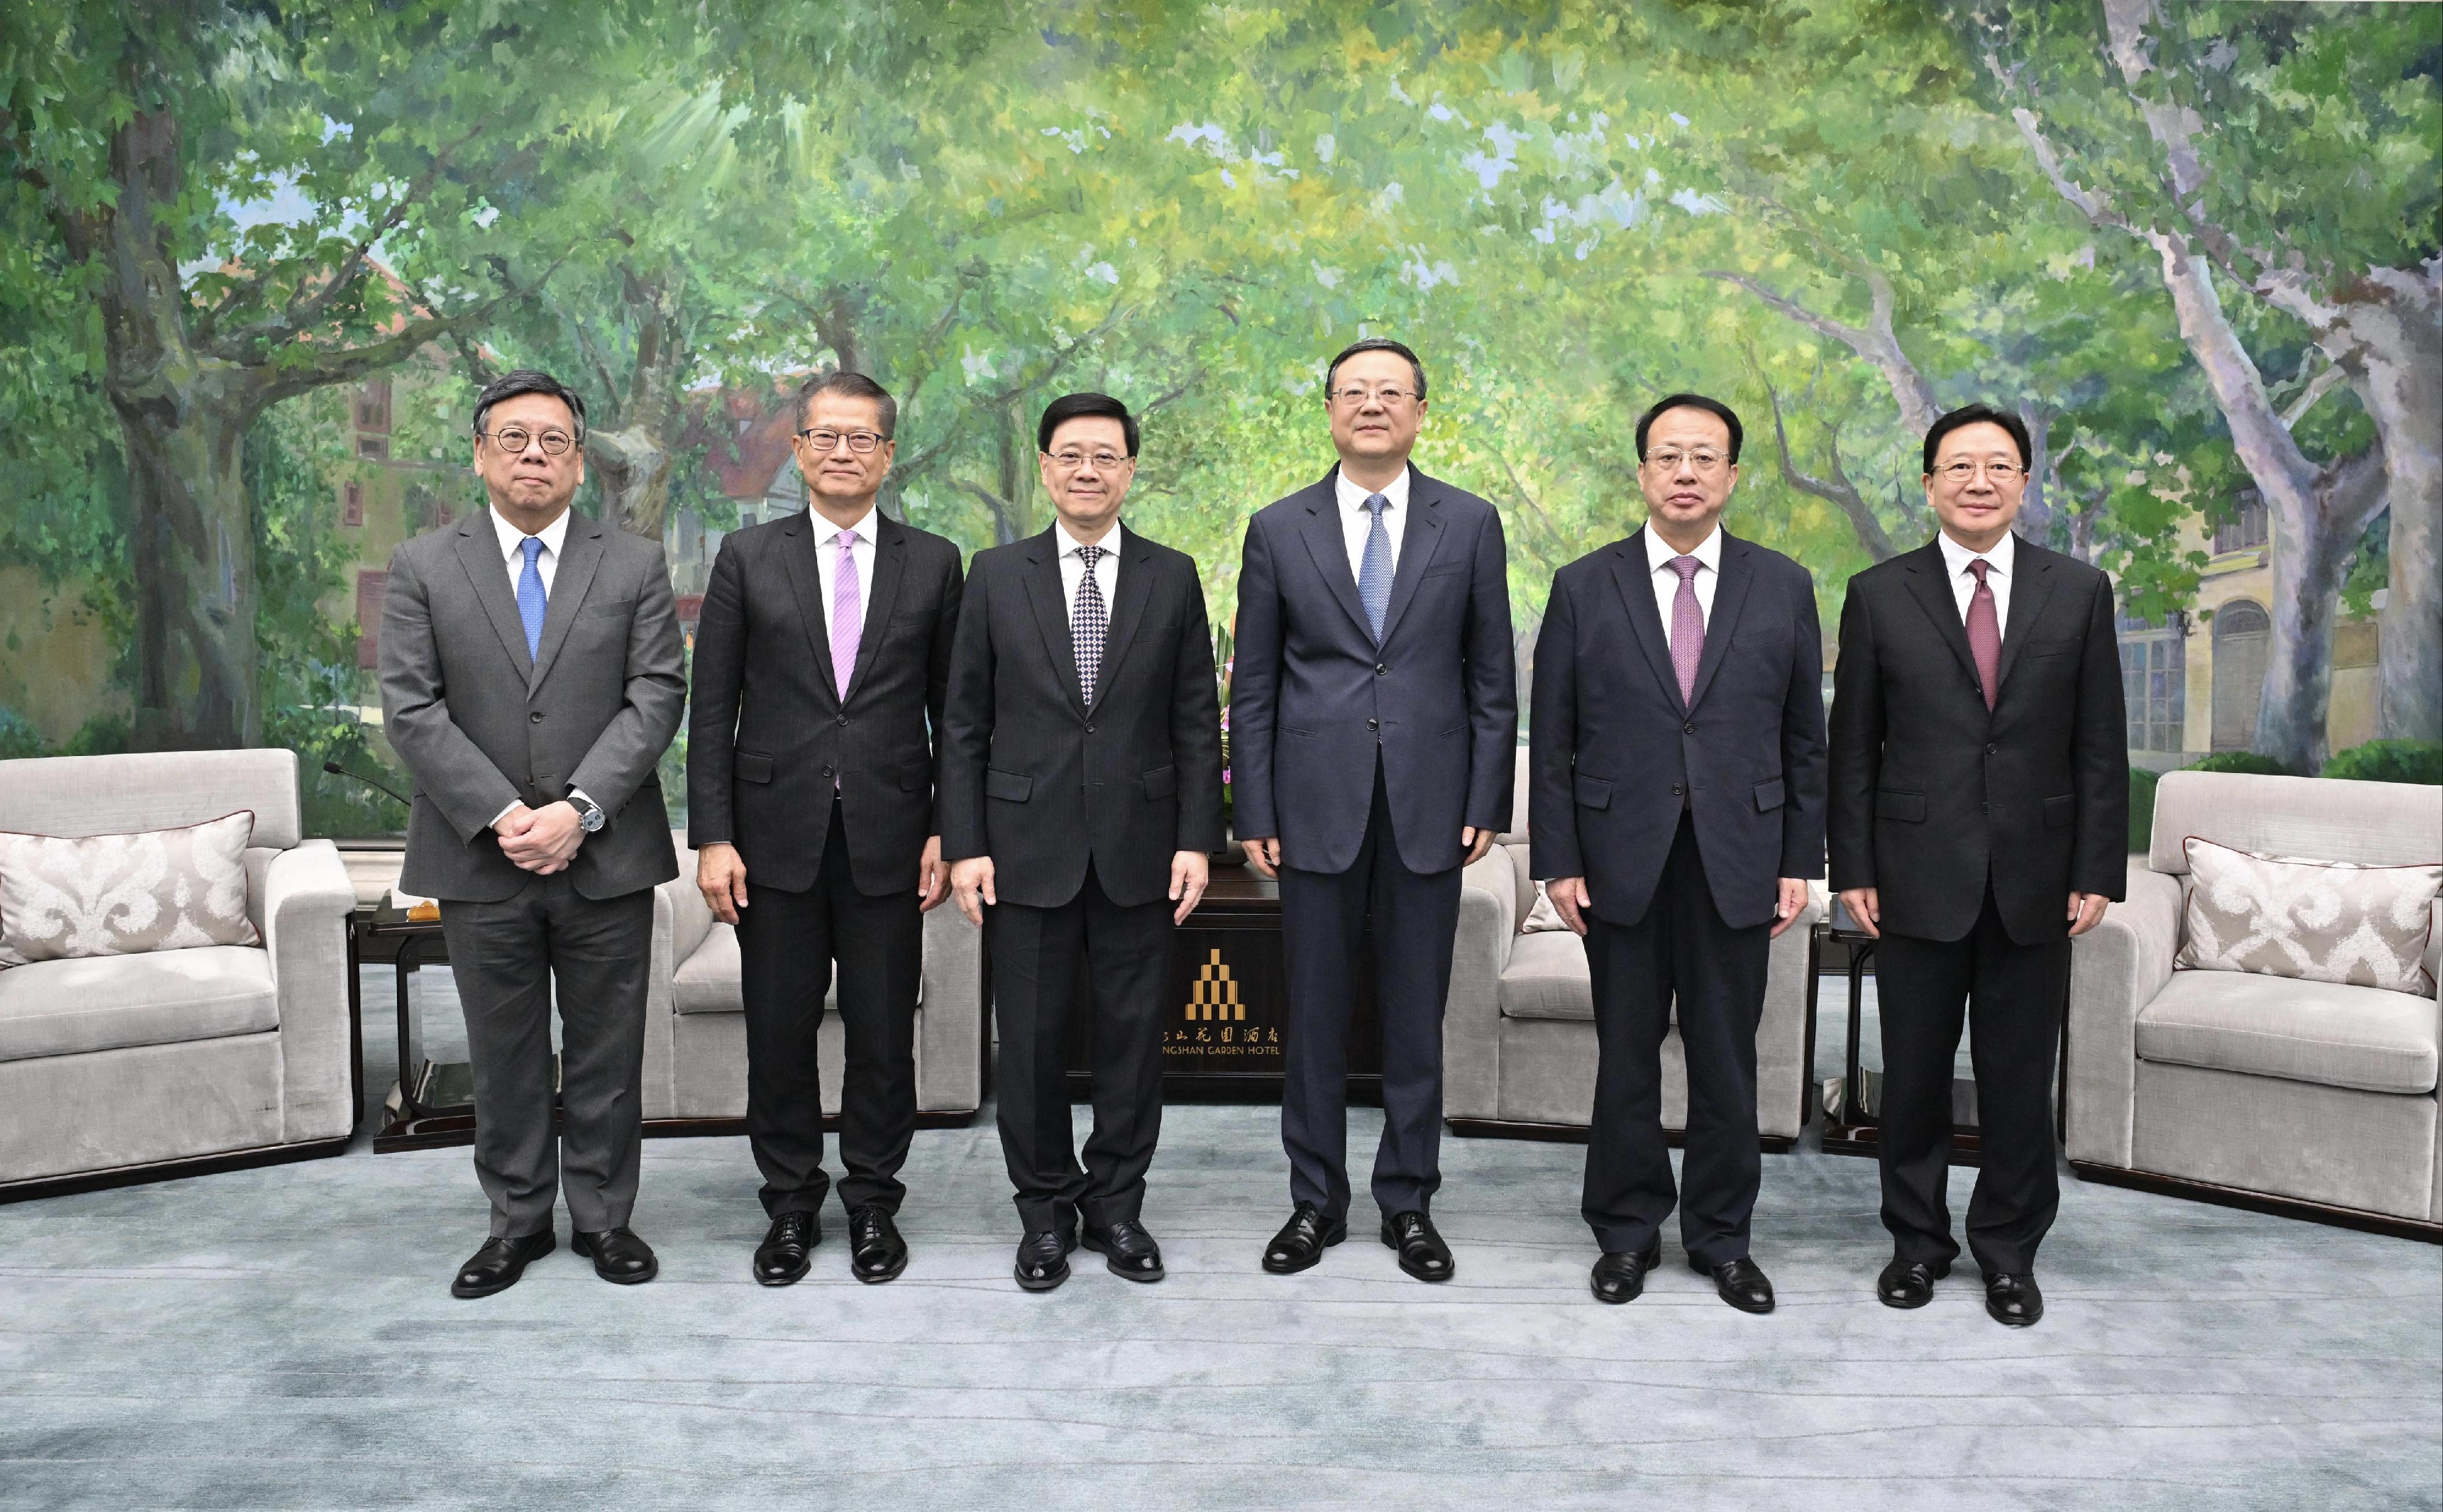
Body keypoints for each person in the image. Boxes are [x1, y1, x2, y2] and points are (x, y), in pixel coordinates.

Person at [380, 369, 686, 1298]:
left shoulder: (631, 563)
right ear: (481, 454)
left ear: (580, 463)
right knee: (504, 1054)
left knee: (605, 1050)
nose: (533, 457)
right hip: (482, 857)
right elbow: (411, 706)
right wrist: (510, 815)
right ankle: (517, 1222)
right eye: (513, 438)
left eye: (554, 441)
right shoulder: (423, 565)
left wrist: (579, 809)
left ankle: (603, 1218)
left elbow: (657, 694)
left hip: (606, 853)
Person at [1829, 402, 2126, 1328]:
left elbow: (2099, 746)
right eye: (1959, 467)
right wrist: (1854, 869)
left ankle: (2008, 1255)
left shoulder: (2078, 591)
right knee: (1912, 1077)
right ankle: (1916, 1247)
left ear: (2025, 484)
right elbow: (1854, 750)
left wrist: (2098, 869)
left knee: (2016, 1081)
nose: (1979, 481)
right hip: (1914, 875)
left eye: (1999, 466)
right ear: (1928, 483)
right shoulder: (1880, 593)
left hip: (2038, 879)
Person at [1530, 394, 1825, 1312]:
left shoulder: (1783, 584)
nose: (1687, 473)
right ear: (1643, 473)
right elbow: (1555, 737)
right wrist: (1559, 860)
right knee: (1626, 1057)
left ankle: (1722, 1237)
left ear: (1734, 475)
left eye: (1706, 458)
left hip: (1740, 855)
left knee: (1727, 1059)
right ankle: (1625, 1233)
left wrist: (1799, 861)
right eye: (1669, 457)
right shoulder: (1585, 584)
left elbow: (1804, 738)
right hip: (1620, 857)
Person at [1231, 338, 1516, 1284]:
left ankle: (1410, 1205)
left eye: (1391, 393)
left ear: (1421, 413)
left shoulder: (1469, 524)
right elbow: (1257, 688)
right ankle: (1314, 1204)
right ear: (1329, 411)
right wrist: (1255, 808)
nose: (1372, 406)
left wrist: (1486, 799)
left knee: (1412, 1018)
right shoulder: (1279, 529)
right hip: (1311, 808)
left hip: (1432, 809)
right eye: (1354, 392)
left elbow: (1491, 679)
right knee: (1311, 1019)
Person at [941, 393, 1223, 1291]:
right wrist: (965, 843)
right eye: (1071, 455)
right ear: (1047, 468)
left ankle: (1117, 1209)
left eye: (1106, 456)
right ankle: (1043, 1214)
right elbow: (964, 723)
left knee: (1135, 1043)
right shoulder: (994, 574)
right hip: (1022, 850)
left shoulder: (1171, 576)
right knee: (1026, 1045)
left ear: (1130, 471)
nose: (1088, 471)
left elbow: (1193, 718)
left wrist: (1196, 841)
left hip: (1142, 849)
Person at [686, 371, 963, 1287]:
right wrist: (714, 837)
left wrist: (946, 830)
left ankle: (875, 1201)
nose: (843, 453)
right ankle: (792, 1205)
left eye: (862, 439)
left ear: (888, 454)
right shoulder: (747, 556)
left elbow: (955, 715)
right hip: (772, 842)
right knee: (780, 1030)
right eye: (826, 437)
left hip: (892, 837)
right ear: (799, 448)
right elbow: (712, 704)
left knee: (886, 1034)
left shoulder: (935, 562)